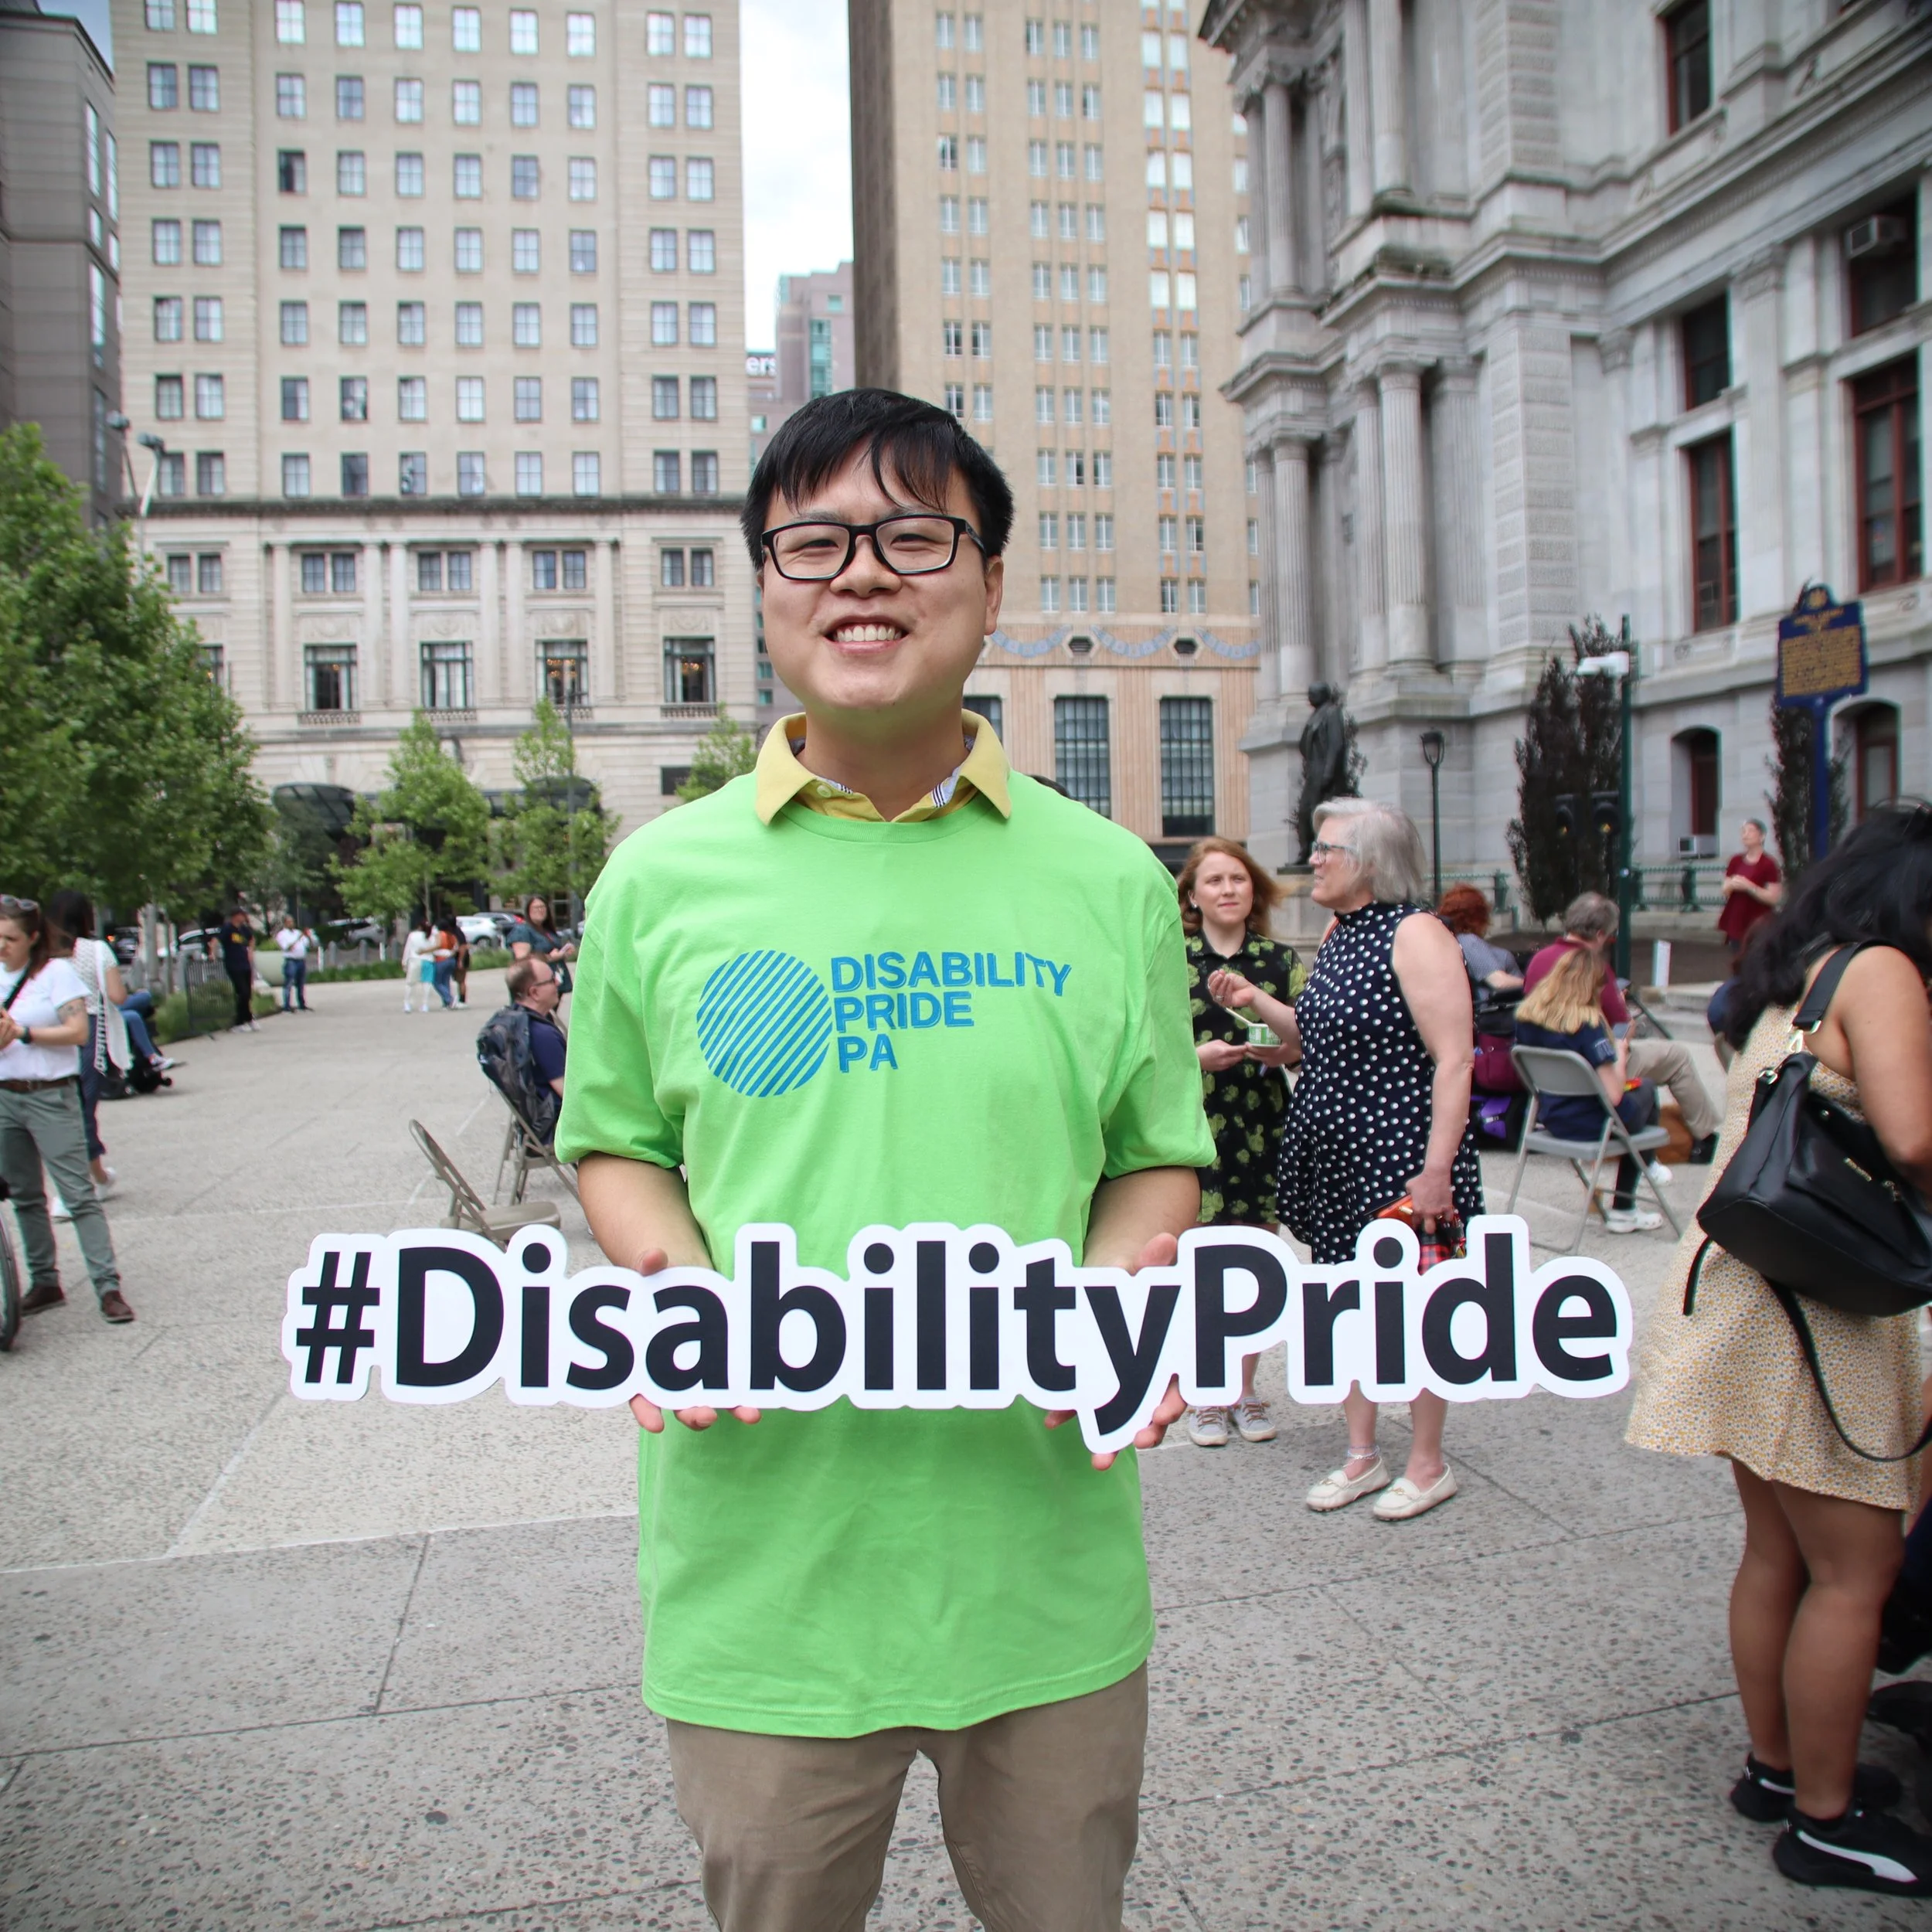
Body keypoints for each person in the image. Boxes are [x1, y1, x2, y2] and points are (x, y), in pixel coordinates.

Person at [556, 387, 1213, 1930]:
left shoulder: (1110, 878)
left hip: (1040, 1559)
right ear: (765, 587)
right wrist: (679, 1287)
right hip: (762, 1572)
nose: (861, 571)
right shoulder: (656, 880)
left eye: (916, 536)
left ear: (989, 584)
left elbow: (1156, 1154)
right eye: (815, 541)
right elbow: (614, 1143)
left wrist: (1113, 1306)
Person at [1627, 803, 1932, 1896]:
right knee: (1857, 1570)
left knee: (1778, 1553)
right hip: (1815, 1310)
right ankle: (1826, 1821)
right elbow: (1914, 1138)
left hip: (1749, 1290)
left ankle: (1779, 1767)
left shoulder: (1800, 968)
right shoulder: (1883, 971)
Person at [1209, 798, 1481, 1522]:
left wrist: (1436, 1170)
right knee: (1348, 1302)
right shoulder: (1340, 934)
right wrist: (1254, 1001)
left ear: (1371, 861)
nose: (1314, 860)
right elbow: (1308, 1038)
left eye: (1326, 849)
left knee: (1415, 1306)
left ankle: (1428, 1463)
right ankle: (1362, 1453)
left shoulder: (1417, 933)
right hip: (1337, 1152)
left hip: (1399, 1152)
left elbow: (1454, 1059)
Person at [1174, 836, 1304, 1449]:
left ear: (1254, 891)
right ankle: (1206, 1388)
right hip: (1194, 1125)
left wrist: (1279, 1050)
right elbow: (1144, 1046)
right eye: (1215, 880)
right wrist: (1196, 1058)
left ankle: (1245, 1388)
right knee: (1198, 1263)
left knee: (1255, 1260)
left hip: (1261, 1122)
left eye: (1238, 879)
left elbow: (1304, 1043)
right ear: (1192, 896)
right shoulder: (1171, 960)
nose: (1228, 889)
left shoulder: (1278, 961)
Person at [0, 896, 134, 1323]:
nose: (2, 946)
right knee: (24, 1196)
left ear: (32, 937)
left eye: (10, 938)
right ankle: (45, 1281)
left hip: (50, 1095)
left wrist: (22, 1033)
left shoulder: (54, 974)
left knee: (77, 1194)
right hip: (5, 1097)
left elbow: (78, 1032)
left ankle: (107, 1286)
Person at [1525, 892, 1720, 1162]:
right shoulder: (1593, 969)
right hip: (1592, 1067)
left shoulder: (1538, 961)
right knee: (1677, 1056)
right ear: (1600, 934)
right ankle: (1704, 1138)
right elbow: (1621, 1028)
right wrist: (1620, 1013)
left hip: (1550, 1071)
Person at [1512, 947, 1662, 1233]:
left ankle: (1648, 1164)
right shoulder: (1587, 1025)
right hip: (1595, 1124)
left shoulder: (1526, 1017)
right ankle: (1627, 1204)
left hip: (1553, 1117)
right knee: (1647, 1088)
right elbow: (1614, 1095)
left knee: (1638, 1096)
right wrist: (1620, 1053)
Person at [45, 889, 131, 1196]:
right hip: (89, 1028)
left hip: (50, 1032)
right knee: (84, 1105)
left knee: (58, 1107)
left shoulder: (44, 953)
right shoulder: (96, 950)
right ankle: (80, 1184)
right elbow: (117, 996)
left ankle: (94, 1178)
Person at [1436, 883, 1523, 995]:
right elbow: (1499, 982)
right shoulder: (1469, 941)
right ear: (1479, 914)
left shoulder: (1452, 941)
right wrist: (1537, 984)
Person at [1718, 817, 1784, 956]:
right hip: (1737, 920)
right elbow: (1725, 890)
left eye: (1750, 831)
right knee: (1738, 957)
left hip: (1758, 922)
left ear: (1762, 836)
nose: (1745, 835)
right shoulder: (1735, 861)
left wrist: (1749, 887)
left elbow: (1774, 898)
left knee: (1756, 958)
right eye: (1743, 831)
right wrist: (1732, 884)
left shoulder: (1768, 864)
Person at [506, 955, 566, 1104]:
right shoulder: (542, 1035)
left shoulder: (514, 1021)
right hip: (557, 1113)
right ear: (534, 993)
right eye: (552, 980)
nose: (558, 983)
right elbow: (568, 1092)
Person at [507, 896, 577, 994]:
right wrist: (550, 958)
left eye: (543, 907)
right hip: (535, 984)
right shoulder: (522, 930)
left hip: (556, 980)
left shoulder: (547, 930)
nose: (540, 910)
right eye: (536, 907)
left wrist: (564, 953)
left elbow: (553, 952)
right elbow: (522, 960)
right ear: (528, 911)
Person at [216, 901, 258, 1032]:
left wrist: (250, 951)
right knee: (242, 992)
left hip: (245, 963)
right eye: (242, 915)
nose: (244, 917)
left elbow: (252, 939)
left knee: (248, 993)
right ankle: (238, 1022)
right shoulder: (228, 928)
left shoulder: (243, 929)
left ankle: (248, 1019)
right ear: (236, 916)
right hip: (233, 964)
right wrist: (213, 953)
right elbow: (216, 940)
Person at [275, 913, 315, 1011]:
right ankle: (287, 1005)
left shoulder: (298, 932)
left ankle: (302, 1003)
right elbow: (287, 947)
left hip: (301, 960)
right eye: (289, 922)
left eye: (292, 922)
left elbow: (309, 945)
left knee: (301, 983)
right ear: (285, 923)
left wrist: (309, 937)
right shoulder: (282, 935)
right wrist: (298, 938)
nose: (291, 924)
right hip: (291, 961)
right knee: (289, 983)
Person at [401, 917, 437, 1012]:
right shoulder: (431, 936)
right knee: (426, 984)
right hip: (428, 960)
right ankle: (425, 1005)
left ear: (419, 927)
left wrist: (404, 961)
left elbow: (408, 949)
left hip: (415, 960)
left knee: (410, 984)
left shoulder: (413, 935)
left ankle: (407, 1004)